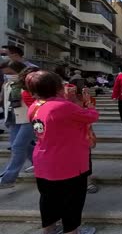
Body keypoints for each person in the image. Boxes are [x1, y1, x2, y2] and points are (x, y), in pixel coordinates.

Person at [26, 70, 98, 234]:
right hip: (69, 161)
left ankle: (49, 229)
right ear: (58, 87)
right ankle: (72, 231)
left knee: (48, 199)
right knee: (72, 200)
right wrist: (88, 102)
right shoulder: (64, 106)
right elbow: (92, 116)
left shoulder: (35, 106)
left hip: (43, 160)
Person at [0, 61, 35, 189]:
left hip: (29, 118)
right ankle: (38, 163)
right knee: (24, 146)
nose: (8, 75)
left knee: (18, 147)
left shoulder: (30, 82)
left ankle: (8, 179)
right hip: (13, 119)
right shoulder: (7, 84)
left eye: (10, 73)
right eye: (6, 73)